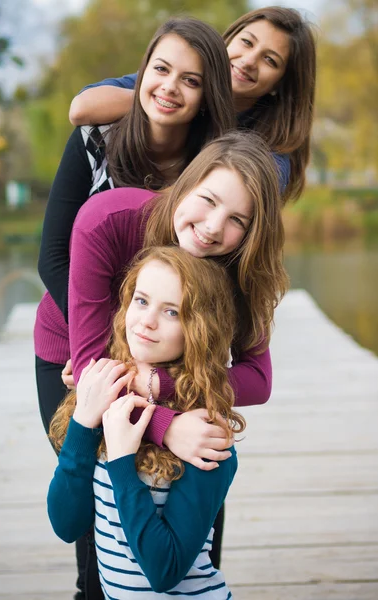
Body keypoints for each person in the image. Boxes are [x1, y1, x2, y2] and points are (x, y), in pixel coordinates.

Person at [35, 131, 288, 590]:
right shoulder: (110, 218)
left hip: (172, 370)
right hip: (84, 355)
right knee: (96, 526)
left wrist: (166, 392)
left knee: (184, 512)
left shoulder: (243, 266)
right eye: (208, 200)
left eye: (237, 220)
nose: (212, 227)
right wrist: (164, 425)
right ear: (186, 182)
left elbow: (258, 379)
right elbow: (96, 374)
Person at [35, 18, 234, 596]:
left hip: (170, 346)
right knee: (93, 495)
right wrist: (108, 357)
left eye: (190, 80)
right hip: (79, 343)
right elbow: (53, 260)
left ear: (207, 97)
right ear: (140, 73)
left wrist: (160, 380)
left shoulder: (209, 169)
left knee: (190, 490)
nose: (170, 87)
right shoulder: (97, 138)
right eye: (160, 69)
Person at [48, 245, 246, 598]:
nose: (147, 321)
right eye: (141, 301)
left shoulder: (204, 433)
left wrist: (123, 461)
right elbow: (66, 525)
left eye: (171, 311)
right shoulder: (105, 394)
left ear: (200, 328)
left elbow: (164, 570)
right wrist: (82, 422)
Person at [70, 6, 316, 203]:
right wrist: (168, 101)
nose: (249, 60)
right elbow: (81, 109)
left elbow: (238, 195)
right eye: (247, 42)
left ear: (282, 83)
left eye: (270, 60)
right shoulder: (173, 79)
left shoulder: (275, 142)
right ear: (227, 40)